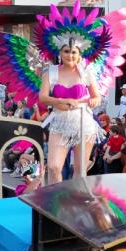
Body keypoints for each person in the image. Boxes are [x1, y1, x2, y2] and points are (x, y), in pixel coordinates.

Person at [38, 42, 103, 184]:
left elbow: (97, 97)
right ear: (60, 54)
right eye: (66, 51)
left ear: (79, 54)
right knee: (54, 167)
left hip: (83, 123)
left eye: (74, 52)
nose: (70, 55)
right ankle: (55, 202)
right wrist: (61, 100)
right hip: (60, 122)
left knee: (80, 170)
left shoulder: (86, 73)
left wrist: (94, 101)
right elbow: (42, 98)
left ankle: (76, 201)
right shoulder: (50, 72)